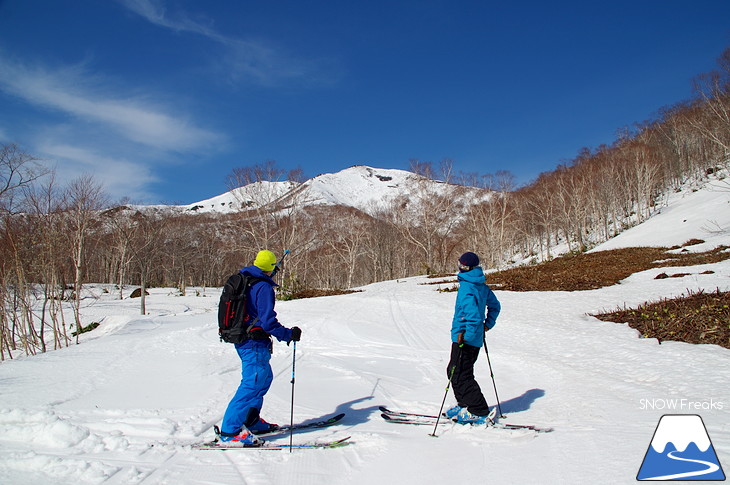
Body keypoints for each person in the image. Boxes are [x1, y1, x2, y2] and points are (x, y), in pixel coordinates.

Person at [217, 250, 302, 445]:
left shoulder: (246, 279)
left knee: (263, 379)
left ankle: (251, 420)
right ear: (271, 268)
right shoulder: (262, 287)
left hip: (246, 340)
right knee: (253, 383)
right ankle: (229, 432)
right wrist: (288, 334)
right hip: (252, 342)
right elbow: (267, 322)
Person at [444, 251, 501, 425]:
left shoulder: (468, 288)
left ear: (467, 267)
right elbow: (495, 306)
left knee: (462, 375)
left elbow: (474, 316)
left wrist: (467, 336)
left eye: (461, 265)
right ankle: (464, 403)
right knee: (453, 370)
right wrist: (487, 325)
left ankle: (479, 411)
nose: (459, 268)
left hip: (465, 339)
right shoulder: (480, 285)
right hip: (469, 337)